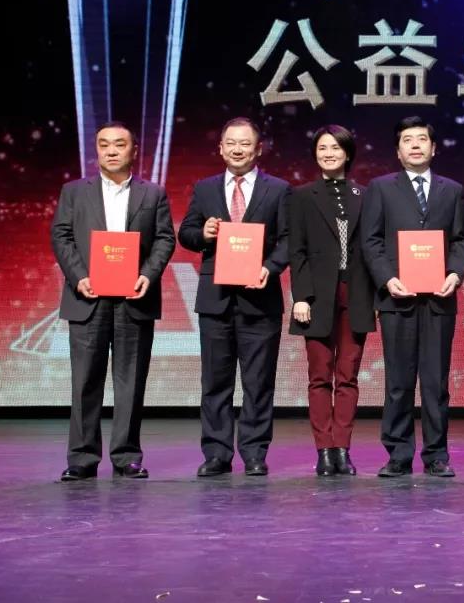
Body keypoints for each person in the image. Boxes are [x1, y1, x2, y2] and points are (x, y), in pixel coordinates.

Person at [51, 121, 175, 480]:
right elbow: (61, 235)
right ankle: (81, 457)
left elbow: (165, 238)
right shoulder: (75, 191)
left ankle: (126, 456)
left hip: (133, 298)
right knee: (84, 381)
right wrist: (79, 277)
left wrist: (147, 275)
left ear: (133, 150)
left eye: (119, 144)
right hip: (88, 296)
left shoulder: (153, 194)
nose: (111, 150)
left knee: (130, 382)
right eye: (104, 144)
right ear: (97, 150)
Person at [178, 117, 291, 477]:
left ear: (258, 149)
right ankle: (216, 453)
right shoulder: (205, 188)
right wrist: (204, 233)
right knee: (215, 381)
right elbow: (186, 233)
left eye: (245, 143)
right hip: (216, 298)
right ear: (221, 148)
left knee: (258, 382)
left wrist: (270, 267)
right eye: (231, 143)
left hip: (260, 298)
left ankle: (255, 452)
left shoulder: (279, 189)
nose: (237, 149)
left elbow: (290, 239)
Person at [360, 116, 464, 478]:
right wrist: (387, 279)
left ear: (434, 148)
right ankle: (398, 454)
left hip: (439, 298)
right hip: (397, 297)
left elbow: (460, 240)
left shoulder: (452, 190)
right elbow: (371, 240)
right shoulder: (380, 188)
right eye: (408, 140)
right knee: (398, 381)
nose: (416, 145)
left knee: (436, 383)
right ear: (398, 151)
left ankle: (436, 455)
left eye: (422, 139)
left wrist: (455, 274)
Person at [288, 125, 375, 476]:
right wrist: (301, 296)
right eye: (322, 148)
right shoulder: (301, 196)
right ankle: (324, 450)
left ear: (347, 153)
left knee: (348, 376)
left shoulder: (365, 195)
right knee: (320, 376)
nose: (328, 154)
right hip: (317, 296)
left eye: (335, 148)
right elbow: (297, 250)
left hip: (356, 294)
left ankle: (343, 448)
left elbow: (372, 247)